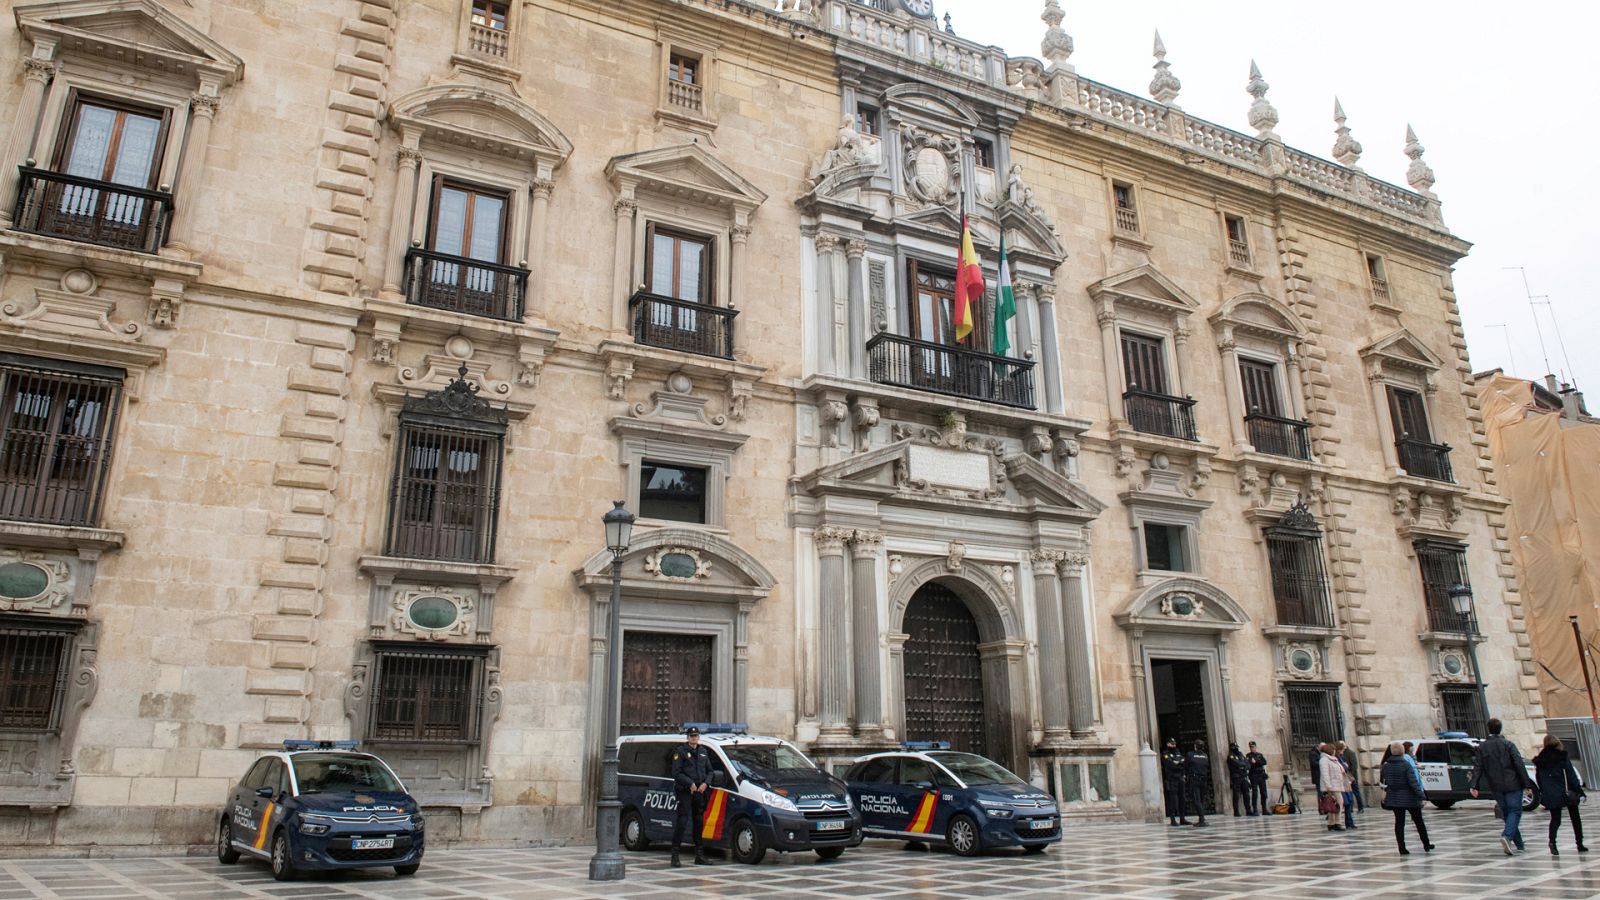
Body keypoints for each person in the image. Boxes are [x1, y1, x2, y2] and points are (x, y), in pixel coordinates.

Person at [1469, 717, 1538, 856]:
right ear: (1500, 729)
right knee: (1515, 811)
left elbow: (1478, 766)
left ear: (1488, 729)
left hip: (1495, 785)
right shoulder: (1508, 744)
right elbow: (1518, 764)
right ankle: (1507, 836)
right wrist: (1526, 784)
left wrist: (1474, 785)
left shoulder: (1482, 747)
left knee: (1508, 813)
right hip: (1512, 783)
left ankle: (1519, 844)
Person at [1532, 734, 1588, 855]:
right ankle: (1579, 844)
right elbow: (1571, 775)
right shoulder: (1562, 756)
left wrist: (1544, 792)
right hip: (1566, 792)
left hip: (1551, 793)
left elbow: (1538, 778)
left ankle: (1552, 842)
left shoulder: (1540, 760)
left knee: (1555, 819)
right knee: (1575, 818)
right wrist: (1579, 791)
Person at [670, 726, 716, 867]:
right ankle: (675, 856)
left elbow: (710, 771)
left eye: (696, 736)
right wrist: (690, 783)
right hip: (685, 792)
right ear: (687, 737)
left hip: (699, 792)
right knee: (682, 822)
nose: (694, 738)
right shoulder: (681, 752)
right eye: (691, 736)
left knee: (699, 822)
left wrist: (706, 784)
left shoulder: (703, 751)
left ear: (699, 737)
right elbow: (676, 773)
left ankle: (699, 855)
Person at [1380, 740, 1434, 855]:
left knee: (1399, 823)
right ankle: (1426, 844)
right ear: (1402, 751)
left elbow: (1383, 782)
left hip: (1394, 797)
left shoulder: (1386, 766)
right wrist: (1422, 796)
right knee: (1419, 821)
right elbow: (1413, 783)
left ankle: (1402, 847)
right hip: (1410, 797)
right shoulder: (1406, 765)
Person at [1318, 744, 1348, 832]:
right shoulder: (1324, 760)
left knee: (1333, 805)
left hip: (1337, 785)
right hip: (1331, 786)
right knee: (1339, 804)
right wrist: (1328, 786)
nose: (1335, 751)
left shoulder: (1333, 759)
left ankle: (1331, 823)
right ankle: (1337, 823)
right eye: (1334, 749)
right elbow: (1325, 774)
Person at [1160, 737, 1189, 826]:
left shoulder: (1178, 753)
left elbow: (1184, 763)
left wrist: (1178, 764)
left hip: (1180, 778)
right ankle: (1173, 819)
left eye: (1174, 744)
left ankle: (1182, 818)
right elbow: (1171, 765)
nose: (1173, 745)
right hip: (1172, 779)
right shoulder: (1165, 754)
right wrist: (1178, 763)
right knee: (1173, 800)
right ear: (1168, 744)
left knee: (1182, 798)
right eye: (1172, 744)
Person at [1185, 740, 1212, 827]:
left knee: (1196, 799)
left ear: (1195, 746)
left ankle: (1202, 818)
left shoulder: (1190, 754)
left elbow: (1186, 765)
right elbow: (1206, 765)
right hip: (1203, 779)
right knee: (1202, 799)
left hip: (1195, 779)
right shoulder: (1205, 755)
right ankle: (1202, 819)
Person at [1335, 740, 1359, 829]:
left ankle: (1350, 822)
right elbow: (1342, 768)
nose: (1343, 751)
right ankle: (1342, 822)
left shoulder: (1341, 757)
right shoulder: (1336, 758)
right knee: (1345, 802)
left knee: (1349, 801)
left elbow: (1347, 767)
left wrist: (1350, 776)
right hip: (1341, 783)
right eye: (1342, 749)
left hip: (1346, 782)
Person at [1227, 743, 1252, 817]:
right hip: (1236, 777)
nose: (1236, 748)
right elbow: (1236, 763)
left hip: (1243, 777)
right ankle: (1236, 811)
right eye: (1234, 747)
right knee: (1236, 795)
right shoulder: (1231, 756)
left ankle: (1248, 810)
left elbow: (1248, 764)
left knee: (1246, 794)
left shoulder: (1241, 754)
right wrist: (1243, 765)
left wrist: (1244, 766)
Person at [1246, 741, 1270, 816]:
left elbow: (1264, 762)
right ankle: (1255, 810)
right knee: (1255, 793)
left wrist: (1256, 762)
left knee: (1264, 793)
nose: (1252, 748)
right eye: (1250, 747)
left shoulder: (1260, 755)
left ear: (1255, 747)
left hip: (1261, 775)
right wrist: (1257, 763)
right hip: (1254, 776)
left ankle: (1264, 809)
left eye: (1253, 747)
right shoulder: (1248, 755)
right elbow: (1249, 764)